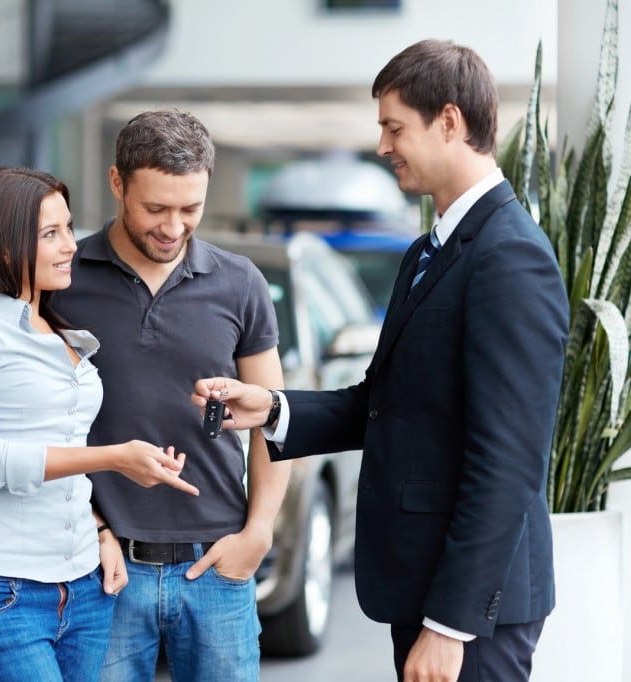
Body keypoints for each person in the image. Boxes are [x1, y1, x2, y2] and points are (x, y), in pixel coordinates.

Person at [192, 40, 569, 682]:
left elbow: (509, 460)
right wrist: (273, 409)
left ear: (449, 122)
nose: (383, 146)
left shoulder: (510, 257)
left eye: (395, 128)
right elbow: (385, 402)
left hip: (471, 613)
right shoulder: (426, 251)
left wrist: (450, 626)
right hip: (424, 587)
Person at [0, 111, 288, 681]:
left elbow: (275, 419)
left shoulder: (241, 282)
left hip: (216, 562)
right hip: (103, 567)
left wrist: (259, 533)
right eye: (156, 208)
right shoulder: (59, 275)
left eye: (191, 208)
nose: (174, 227)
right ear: (117, 183)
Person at [0, 165, 202, 682]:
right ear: (5, 247)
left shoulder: (57, 326)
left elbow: (62, 443)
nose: (71, 244)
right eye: (50, 233)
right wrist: (116, 458)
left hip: (84, 580)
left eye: (68, 227)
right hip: (0, 586)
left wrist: (100, 530)